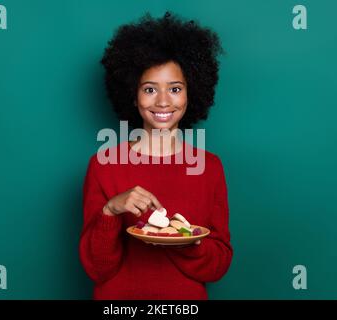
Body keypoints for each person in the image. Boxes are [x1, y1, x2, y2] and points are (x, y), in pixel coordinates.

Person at [79, 12, 233, 300]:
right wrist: (111, 211)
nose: (163, 101)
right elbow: (97, 270)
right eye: (150, 89)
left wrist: (185, 239)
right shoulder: (103, 165)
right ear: (132, 95)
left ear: (191, 93)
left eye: (175, 89)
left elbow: (219, 264)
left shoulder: (210, 167)